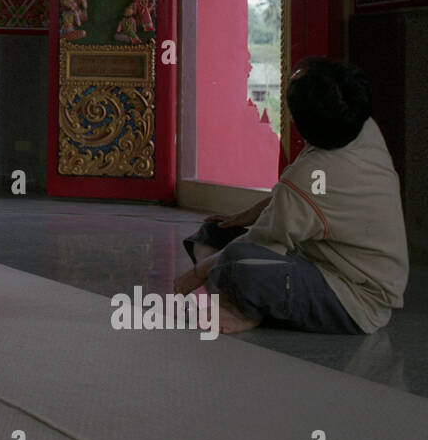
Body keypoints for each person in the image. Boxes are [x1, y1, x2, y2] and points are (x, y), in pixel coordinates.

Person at [174, 57, 408, 334]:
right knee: (213, 231)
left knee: (237, 262)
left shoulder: (307, 178)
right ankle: (243, 299)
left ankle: (246, 308)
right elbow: (300, 205)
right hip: (312, 260)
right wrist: (245, 216)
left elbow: (258, 243)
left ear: (297, 122)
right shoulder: (360, 125)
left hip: (355, 299)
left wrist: (194, 276)